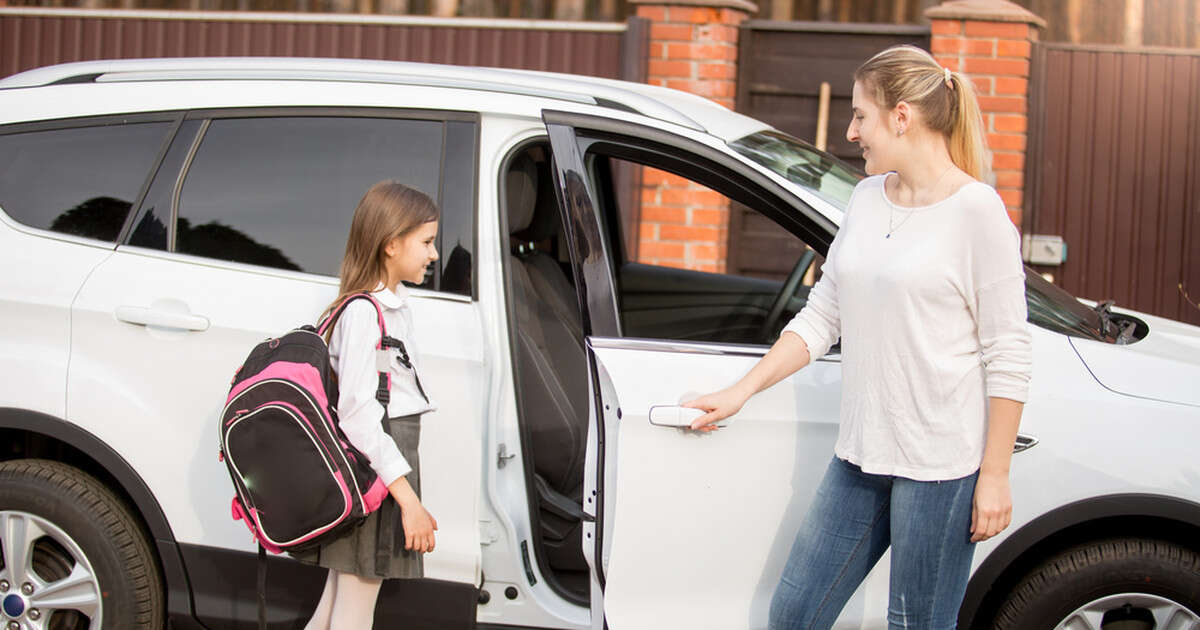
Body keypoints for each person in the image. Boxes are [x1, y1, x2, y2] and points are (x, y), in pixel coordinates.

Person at [685, 45, 1033, 630]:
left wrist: (994, 475)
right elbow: (823, 316)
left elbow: (1009, 351)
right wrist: (741, 391)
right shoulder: (867, 200)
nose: (851, 133)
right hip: (862, 454)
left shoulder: (978, 213)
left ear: (902, 116)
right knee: (794, 615)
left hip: (941, 468)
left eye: (860, 116)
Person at [295, 180, 441, 630]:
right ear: (391, 244)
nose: (434, 254)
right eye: (427, 242)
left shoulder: (380, 307)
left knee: (334, 605)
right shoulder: (364, 313)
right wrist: (409, 502)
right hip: (377, 472)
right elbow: (360, 417)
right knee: (354, 612)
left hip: (375, 468)